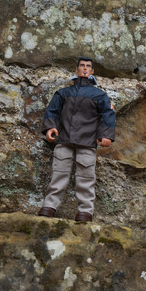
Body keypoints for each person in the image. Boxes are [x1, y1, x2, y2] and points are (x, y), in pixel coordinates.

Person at [38, 57, 115, 222]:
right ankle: (49, 206)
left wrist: (106, 135)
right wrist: (51, 127)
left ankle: (85, 211)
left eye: (88, 66)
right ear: (77, 69)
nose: (85, 69)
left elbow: (107, 115)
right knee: (58, 174)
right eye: (82, 66)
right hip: (64, 139)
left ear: (92, 71)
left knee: (86, 178)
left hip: (87, 142)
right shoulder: (64, 93)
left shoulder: (99, 95)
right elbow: (52, 111)